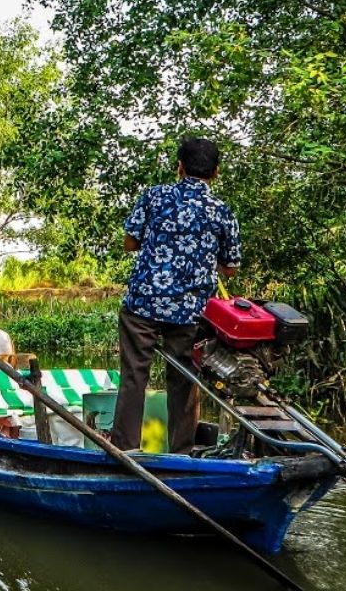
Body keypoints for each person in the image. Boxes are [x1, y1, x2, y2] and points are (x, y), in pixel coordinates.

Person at [109, 137, 242, 455]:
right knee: (184, 378)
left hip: (143, 303)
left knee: (134, 374)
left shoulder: (154, 197)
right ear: (216, 172)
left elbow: (129, 243)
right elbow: (230, 269)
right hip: (192, 311)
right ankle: (182, 453)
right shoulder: (221, 211)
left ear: (179, 166)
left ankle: (125, 447)